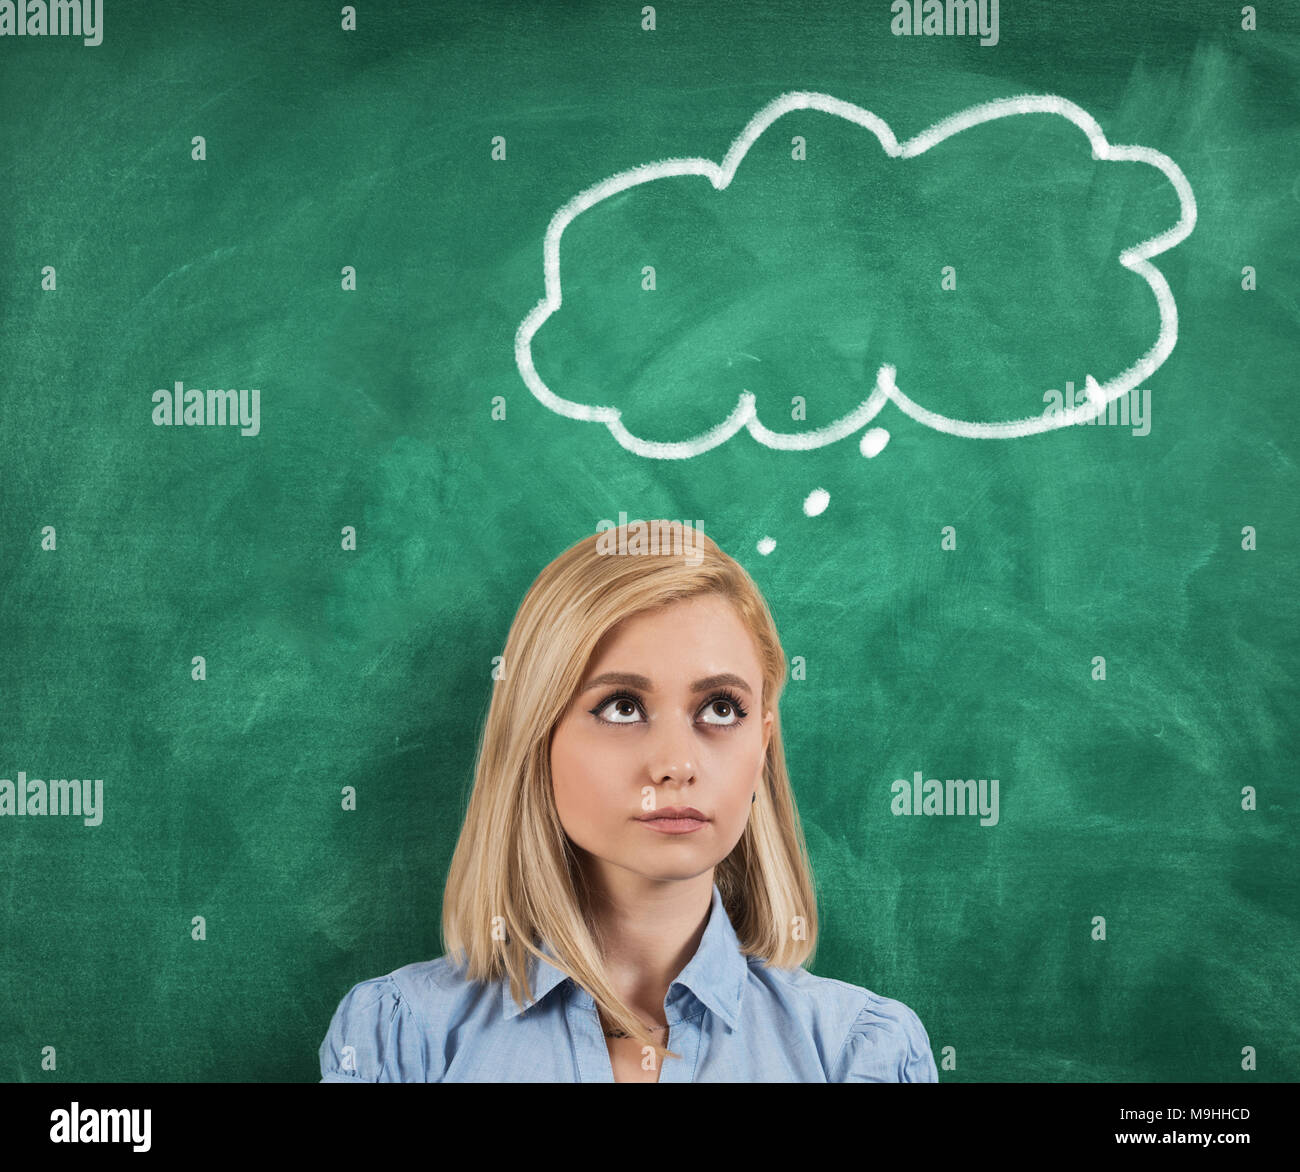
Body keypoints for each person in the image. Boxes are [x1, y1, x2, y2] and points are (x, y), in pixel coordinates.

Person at [318, 522, 937, 1082]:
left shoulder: (855, 1053)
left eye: (720, 708)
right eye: (622, 706)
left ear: (763, 742)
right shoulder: (403, 1042)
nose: (675, 765)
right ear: (538, 734)